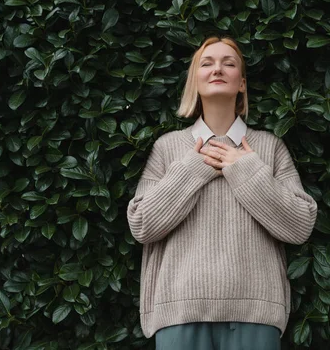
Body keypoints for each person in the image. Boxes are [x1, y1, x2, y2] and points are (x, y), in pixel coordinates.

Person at [126, 36, 318, 350]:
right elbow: (142, 225)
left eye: (229, 63)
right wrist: (193, 168)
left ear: (241, 83)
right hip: (179, 313)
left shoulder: (268, 147)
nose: (218, 69)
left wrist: (244, 169)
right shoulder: (168, 148)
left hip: (256, 313)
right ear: (195, 81)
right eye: (207, 63)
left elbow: (299, 225)